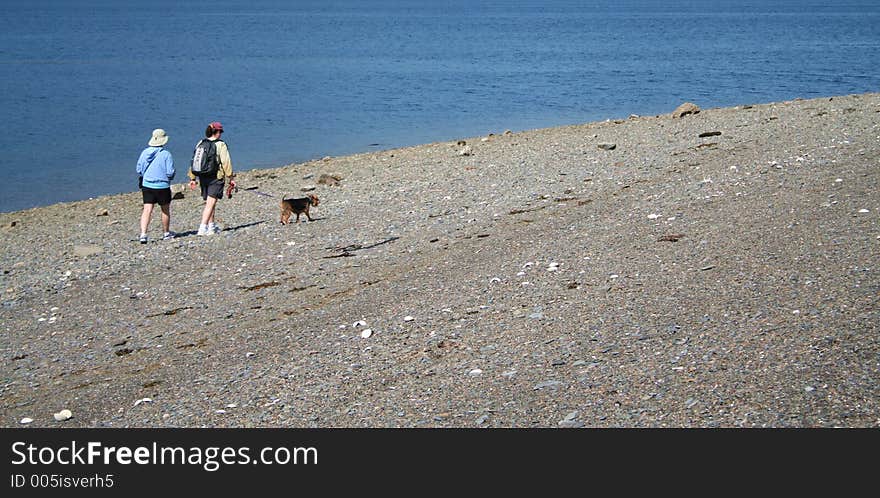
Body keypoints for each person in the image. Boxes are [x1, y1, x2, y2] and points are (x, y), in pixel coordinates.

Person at [188, 121, 235, 235]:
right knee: (211, 203)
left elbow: (194, 160)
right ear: (217, 132)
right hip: (216, 176)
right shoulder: (221, 144)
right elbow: (226, 162)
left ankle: (211, 226)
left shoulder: (200, 142)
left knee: (210, 202)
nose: (221, 134)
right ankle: (202, 228)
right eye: (220, 132)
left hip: (203, 176)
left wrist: (192, 177)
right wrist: (230, 177)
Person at [136, 128, 176, 244]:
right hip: (162, 186)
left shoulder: (144, 152)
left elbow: (139, 169)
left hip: (147, 185)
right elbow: (170, 172)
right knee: (165, 210)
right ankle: (166, 233)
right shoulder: (166, 154)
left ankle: (143, 234)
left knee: (147, 209)